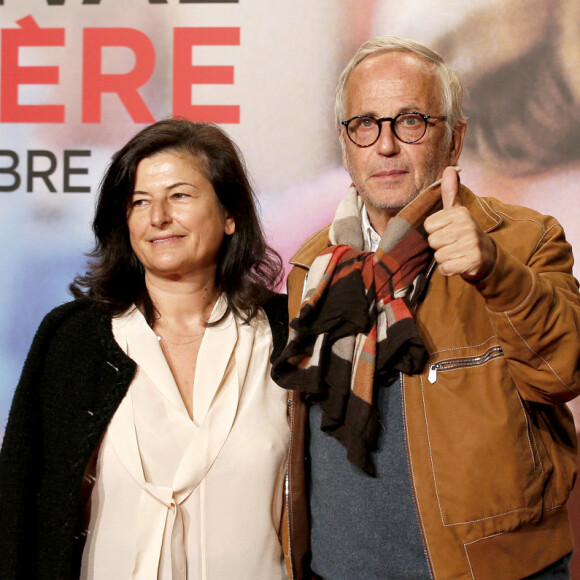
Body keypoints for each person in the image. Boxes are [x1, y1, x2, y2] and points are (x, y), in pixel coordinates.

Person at [272, 36, 580, 579]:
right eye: (365, 124)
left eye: (410, 121)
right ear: (346, 146)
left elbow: (563, 372)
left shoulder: (523, 240)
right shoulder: (311, 268)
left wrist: (496, 273)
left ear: (454, 139)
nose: (385, 145)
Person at [0, 119, 290, 579]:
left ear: (230, 213)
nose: (158, 217)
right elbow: (20, 511)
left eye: (179, 195)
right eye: (139, 202)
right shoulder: (72, 339)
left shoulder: (287, 334)